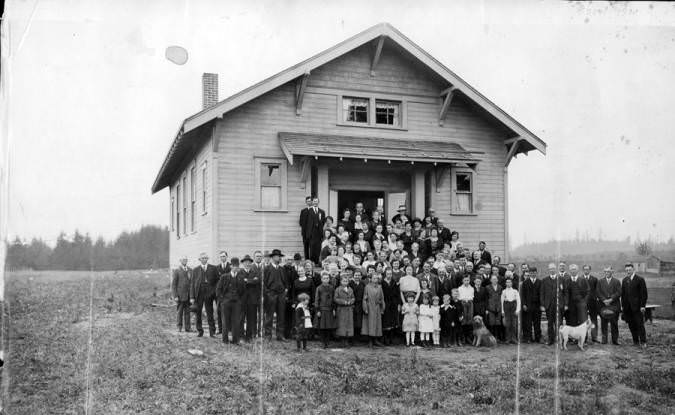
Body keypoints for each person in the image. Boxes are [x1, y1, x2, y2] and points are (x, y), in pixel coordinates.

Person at [217, 257, 245, 345]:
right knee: (225, 321)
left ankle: (235, 340)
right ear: (230, 266)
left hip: (236, 303)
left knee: (236, 321)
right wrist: (222, 300)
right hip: (226, 303)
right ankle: (225, 340)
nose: (235, 268)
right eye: (233, 266)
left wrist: (239, 301)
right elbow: (218, 290)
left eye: (237, 266)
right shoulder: (224, 277)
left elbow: (243, 291)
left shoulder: (241, 278)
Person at [190, 252, 219, 337]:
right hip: (199, 293)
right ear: (200, 259)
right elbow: (192, 284)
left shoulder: (213, 268)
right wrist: (192, 297)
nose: (204, 260)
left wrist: (213, 292)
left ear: (207, 259)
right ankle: (200, 331)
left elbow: (217, 281)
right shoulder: (195, 270)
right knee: (198, 313)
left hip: (209, 294)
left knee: (210, 312)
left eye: (205, 258)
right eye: (202, 258)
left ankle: (212, 331)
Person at [263, 249, 289, 341]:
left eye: (279, 256)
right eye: (277, 256)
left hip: (281, 295)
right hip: (271, 294)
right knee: (269, 316)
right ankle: (268, 335)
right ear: (273, 257)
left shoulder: (282, 269)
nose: (279, 258)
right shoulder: (267, 269)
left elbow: (286, 282)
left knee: (281, 315)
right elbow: (264, 283)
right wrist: (267, 294)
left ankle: (280, 335)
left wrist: (285, 290)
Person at [621, 262, 648, 347]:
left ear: (633, 270)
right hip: (627, 308)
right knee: (631, 325)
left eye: (629, 270)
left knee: (639, 324)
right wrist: (623, 306)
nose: (628, 271)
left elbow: (644, 294)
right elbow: (623, 295)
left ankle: (643, 342)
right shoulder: (625, 280)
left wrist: (642, 306)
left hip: (637, 307)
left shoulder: (640, 279)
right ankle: (635, 341)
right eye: (627, 270)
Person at [540, 263, 567, 346]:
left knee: (559, 323)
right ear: (549, 270)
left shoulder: (561, 279)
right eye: (550, 269)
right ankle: (551, 340)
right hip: (549, 306)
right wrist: (543, 305)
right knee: (550, 323)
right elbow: (542, 293)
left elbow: (565, 292)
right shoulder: (544, 280)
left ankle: (559, 340)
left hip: (559, 305)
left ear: (556, 269)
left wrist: (565, 304)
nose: (552, 270)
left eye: (553, 268)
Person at [597, 266, 621, 345]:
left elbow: (619, 292)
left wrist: (611, 299)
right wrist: (604, 300)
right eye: (606, 272)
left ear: (612, 272)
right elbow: (598, 292)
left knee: (614, 322)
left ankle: (615, 340)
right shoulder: (600, 281)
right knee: (604, 323)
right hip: (603, 305)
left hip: (614, 305)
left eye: (609, 272)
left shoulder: (617, 281)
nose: (607, 273)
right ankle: (604, 340)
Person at [239, 254, 261, 342]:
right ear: (243, 263)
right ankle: (241, 335)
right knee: (241, 318)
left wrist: (246, 281)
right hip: (242, 299)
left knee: (251, 318)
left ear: (251, 263)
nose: (247, 264)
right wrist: (252, 281)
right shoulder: (240, 272)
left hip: (252, 300)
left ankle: (249, 336)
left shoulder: (255, 272)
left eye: (249, 262)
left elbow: (257, 281)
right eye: (245, 262)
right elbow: (240, 282)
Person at [362, 273, 386, 348]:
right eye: (374, 278)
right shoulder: (367, 287)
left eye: (377, 278)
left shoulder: (379, 287)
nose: (375, 280)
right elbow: (365, 299)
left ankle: (376, 340)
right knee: (369, 324)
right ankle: (370, 341)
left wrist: (382, 308)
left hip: (377, 308)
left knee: (377, 324)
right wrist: (365, 308)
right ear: (371, 279)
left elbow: (382, 299)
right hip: (370, 307)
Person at [314, 271, 336, 348]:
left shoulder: (332, 287)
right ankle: (323, 341)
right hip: (322, 309)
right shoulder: (319, 288)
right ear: (321, 279)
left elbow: (333, 299)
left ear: (329, 279)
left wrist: (333, 309)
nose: (325, 280)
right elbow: (317, 299)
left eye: (327, 278)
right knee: (322, 327)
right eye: (324, 278)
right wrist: (318, 310)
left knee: (328, 327)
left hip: (329, 309)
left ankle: (327, 341)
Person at [520, 267, 541, 344]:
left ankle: (537, 338)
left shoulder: (540, 282)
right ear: (529, 273)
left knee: (537, 322)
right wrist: (524, 304)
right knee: (528, 323)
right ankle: (528, 338)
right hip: (528, 306)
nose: (533, 274)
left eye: (534, 272)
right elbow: (523, 295)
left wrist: (541, 305)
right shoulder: (525, 283)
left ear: (536, 273)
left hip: (537, 306)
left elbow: (541, 294)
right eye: (531, 272)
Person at [302, 197, 326, 264]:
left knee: (318, 248)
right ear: (312, 202)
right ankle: (311, 262)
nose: (315, 202)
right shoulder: (308, 211)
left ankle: (316, 262)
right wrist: (306, 234)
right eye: (314, 201)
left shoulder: (322, 211)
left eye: (317, 201)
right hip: (311, 233)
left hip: (318, 233)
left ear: (318, 202)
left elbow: (323, 221)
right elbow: (305, 223)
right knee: (312, 248)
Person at [171, 255, 192, 332]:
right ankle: (179, 327)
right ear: (180, 261)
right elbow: (173, 285)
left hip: (188, 295)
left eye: (186, 260)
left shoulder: (190, 270)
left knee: (187, 312)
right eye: (183, 260)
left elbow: (192, 283)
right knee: (179, 312)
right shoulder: (177, 271)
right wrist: (175, 295)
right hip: (180, 296)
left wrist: (192, 296)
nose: (185, 261)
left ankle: (187, 327)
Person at [334, 275, 355, 347]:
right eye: (343, 281)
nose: (345, 282)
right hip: (341, 310)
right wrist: (343, 302)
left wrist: (350, 301)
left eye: (346, 281)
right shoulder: (338, 289)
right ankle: (342, 340)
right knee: (341, 324)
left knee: (348, 324)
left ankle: (347, 339)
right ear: (341, 281)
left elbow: (353, 298)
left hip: (349, 309)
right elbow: (336, 299)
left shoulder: (350, 289)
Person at [381, 268, 400, 345]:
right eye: (388, 273)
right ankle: (385, 339)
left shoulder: (393, 282)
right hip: (386, 303)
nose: (389, 275)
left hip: (393, 304)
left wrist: (398, 304)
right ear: (385, 274)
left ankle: (391, 339)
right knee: (386, 321)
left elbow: (397, 294)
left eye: (390, 274)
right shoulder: (382, 283)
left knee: (393, 322)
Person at [582, 264, 599, 342]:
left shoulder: (594, 279)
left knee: (593, 321)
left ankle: (594, 337)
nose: (586, 270)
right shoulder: (580, 279)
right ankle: (584, 337)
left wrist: (594, 299)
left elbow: (597, 291)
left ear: (590, 270)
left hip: (593, 303)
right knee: (583, 321)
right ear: (583, 270)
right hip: (583, 304)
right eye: (585, 269)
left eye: (587, 269)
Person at [501, 275, 520, 344]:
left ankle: (514, 338)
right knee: (508, 324)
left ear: (512, 283)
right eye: (507, 282)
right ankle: (508, 339)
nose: (508, 283)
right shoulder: (504, 291)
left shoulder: (515, 291)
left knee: (514, 324)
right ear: (505, 283)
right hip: (506, 308)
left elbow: (518, 301)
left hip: (513, 308)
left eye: (509, 282)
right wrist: (502, 311)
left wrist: (517, 310)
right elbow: (502, 301)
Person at [215, 251, 231, 334]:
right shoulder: (217, 268)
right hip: (220, 294)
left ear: (227, 257)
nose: (222, 258)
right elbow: (215, 281)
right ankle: (221, 329)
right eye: (221, 256)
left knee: (230, 311)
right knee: (219, 311)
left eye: (224, 256)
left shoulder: (230, 267)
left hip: (229, 293)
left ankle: (229, 329)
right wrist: (218, 294)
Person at [350, 269, 366, 341]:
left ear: (361, 276)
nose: (357, 277)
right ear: (353, 276)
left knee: (359, 321)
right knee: (353, 320)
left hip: (360, 304)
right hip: (353, 304)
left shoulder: (363, 284)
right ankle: (352, 337)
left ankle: (358, 336)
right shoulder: (350, 283)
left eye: (359, 275)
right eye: (356, 275)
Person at [486, 275, 503, 341]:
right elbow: (486, 299)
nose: (494, 280)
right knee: (491, 323)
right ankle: (491, 337)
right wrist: (487, 308)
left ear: (497, 280)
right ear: (490, 280)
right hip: (491, 307)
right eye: (493, 279)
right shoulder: (487, 287)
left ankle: (497, 337)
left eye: (495, 279)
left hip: (498, 307)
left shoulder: (500, 287)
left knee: (498, 323)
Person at [458, 275, 475, 344]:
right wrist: (464, 301)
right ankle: (463, 338)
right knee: (463, 320)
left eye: (468, 280)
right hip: (463, 304)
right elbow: (459, 297)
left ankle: (468, 337)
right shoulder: (460, 288)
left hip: (470, 304)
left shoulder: (471, 288)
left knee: (469, 320)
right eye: (465, 280)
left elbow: (472, 296)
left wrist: (469, 301)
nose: (466, 282)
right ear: (462, 281)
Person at [298, 196, 313, 260]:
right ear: (306, 202)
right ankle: (307, 260)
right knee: (306, 247)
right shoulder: (303, 211)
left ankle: (312, 260)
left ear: (312, 202)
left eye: (310, 201)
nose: (309, 202)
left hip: (313, 233)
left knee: (312, 247)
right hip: (305, 233)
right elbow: (300, 222)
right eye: (307, 201)